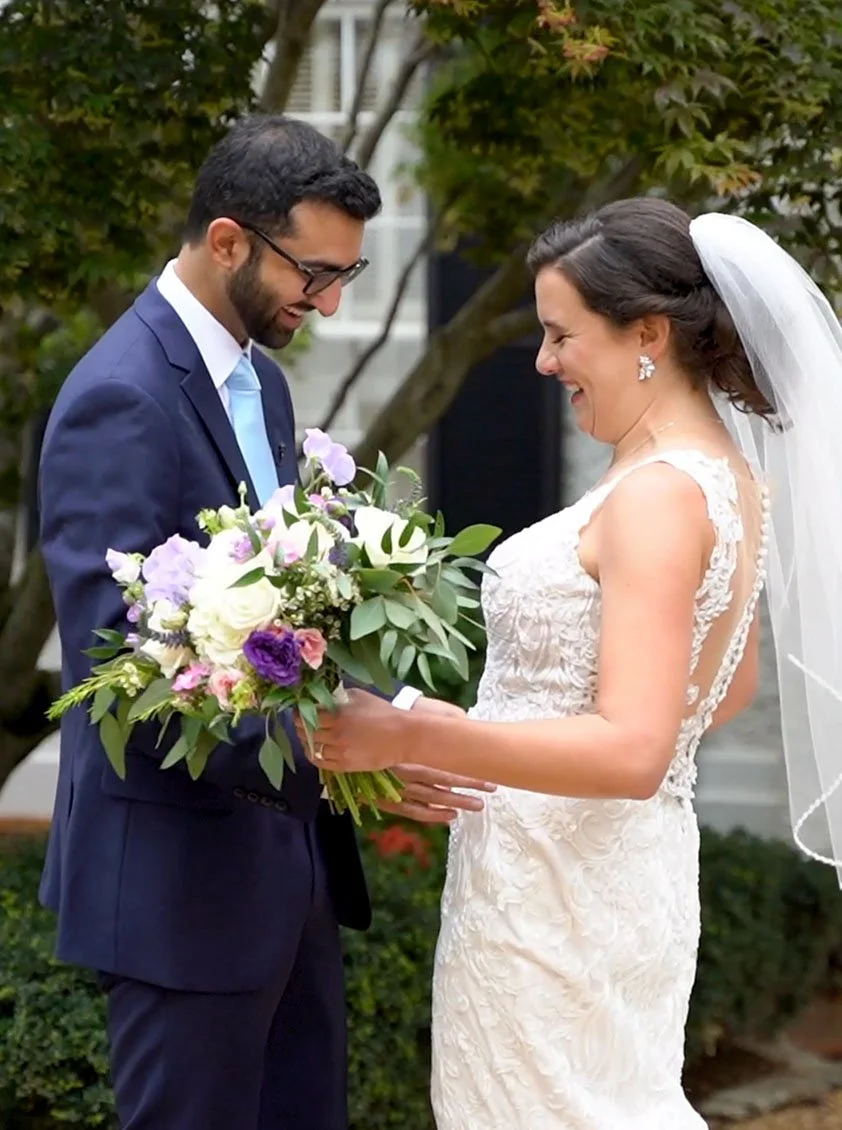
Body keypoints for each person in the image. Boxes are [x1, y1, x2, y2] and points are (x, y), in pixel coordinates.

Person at [304, 196, 842, 1128]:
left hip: (558, 900)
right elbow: (722, 691)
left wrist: (413, 734)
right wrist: (495, 731)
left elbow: (634, 750)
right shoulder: (722, 477)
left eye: (561, 335)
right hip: (604, 876)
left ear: (649, 334)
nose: (544, 362)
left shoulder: (657, 496)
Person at [38, 114, 490, 1130]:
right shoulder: (120, 396)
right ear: (228, 240)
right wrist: (339, 745)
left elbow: (281, 625)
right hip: (177, 893)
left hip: (289, 879)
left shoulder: (265, 385)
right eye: (315, 272)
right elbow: (124, 669)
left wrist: (387, 709)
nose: (328, 302)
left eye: (345, 275)